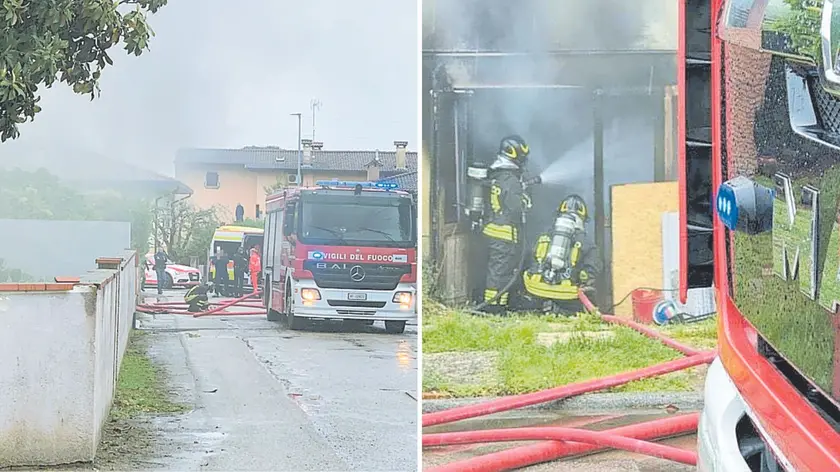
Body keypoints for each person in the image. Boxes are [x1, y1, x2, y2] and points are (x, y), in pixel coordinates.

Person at [521, 195, 601, 315]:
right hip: (566, 295)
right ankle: (560, 311)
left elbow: (528, 259)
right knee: (589, 296)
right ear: (583, 219)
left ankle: (541, 308)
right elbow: (593, 269)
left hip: (534, 290)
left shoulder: (544, 236)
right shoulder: (587, 243)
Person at [480, 135, 532, 314]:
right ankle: (492, 307)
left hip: (494, 230)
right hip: (504, 234)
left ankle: (499, 304)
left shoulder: (498, 175)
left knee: (501, 272)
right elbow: (516, 207)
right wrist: (525, 200)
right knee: (499, 273)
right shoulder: (510, 179)